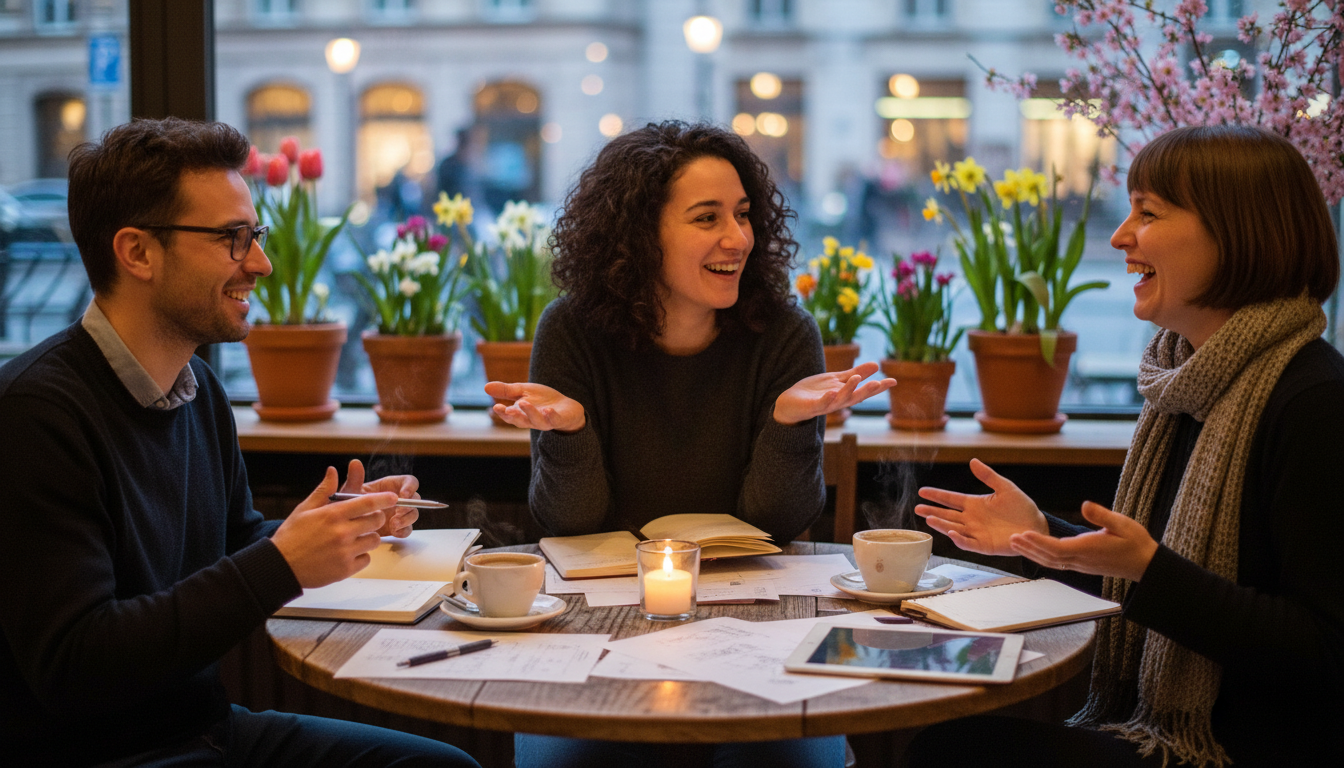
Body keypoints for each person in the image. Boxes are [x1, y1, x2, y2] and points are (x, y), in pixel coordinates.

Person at [0, 118, 481, 767]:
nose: (261, 262)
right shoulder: (35, 415)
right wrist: (282, 562)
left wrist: (336, 527)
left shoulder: (198, 386)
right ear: (137, 253)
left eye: (253, 235)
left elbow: (234, 551)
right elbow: (77, 663)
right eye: (232, 239)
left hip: (204, 730)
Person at [908, 125, 1343, 767]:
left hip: (1239, 749)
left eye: (1150, 212)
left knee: (952, 750)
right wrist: (1043, 537)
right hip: (1171, 733)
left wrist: (1148, 571)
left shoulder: (1313, 401)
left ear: (1238, 231)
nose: (1120, 236)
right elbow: (1156, 570)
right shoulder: (1186, 382)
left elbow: (1325, 651)